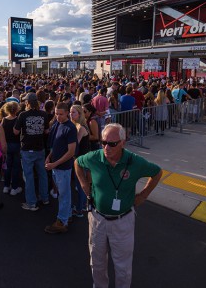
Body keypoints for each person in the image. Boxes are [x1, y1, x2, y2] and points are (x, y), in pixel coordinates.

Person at [75, 123, 162, 288]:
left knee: (123, 267)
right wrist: (84, 185)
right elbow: (77, 163)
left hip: (123, 221)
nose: (106, 147)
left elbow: (157, 172)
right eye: (103, 142)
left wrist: (144, 195)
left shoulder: (134, 162)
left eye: (112, 143)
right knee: (97, 262)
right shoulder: (94, 157)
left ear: (123, 142)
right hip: (97, 219)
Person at [13, 92, 50, 211]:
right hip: (40, 148)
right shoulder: (44, 114)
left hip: (27, 149)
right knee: (42, 175)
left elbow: (16, 132)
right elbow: (47, 131)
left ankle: (31, 203)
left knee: (28, 177)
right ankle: (45, 198)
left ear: (27, 103)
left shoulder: (23, 115)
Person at [44, 102, 77, 233]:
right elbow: (56, 144)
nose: (58, 116)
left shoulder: (70, 128)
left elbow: (71, 152)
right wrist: (50, 156)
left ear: (67, 113)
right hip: (55, 165)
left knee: (63, 194)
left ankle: (62, 221)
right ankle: (67, 215)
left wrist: (55, 163)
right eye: (56, 114)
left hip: (63, 167)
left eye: (61, 114)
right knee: (63, 193)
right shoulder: (58, 124)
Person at [70, 104, 90, 218]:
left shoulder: (81, 127)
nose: (71, 114)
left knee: (81, 184)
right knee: (81, 184)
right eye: (70, 112)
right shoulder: (78, 125)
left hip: (82, 159)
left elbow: (75, 143)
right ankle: (81, 205)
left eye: (73, 112)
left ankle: (79, 209)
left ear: (79, 114)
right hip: (80, 157)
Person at [0, 101, 23, 196]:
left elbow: (1, 132)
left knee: (7, 166)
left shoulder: (4, 120)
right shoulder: (18, 119)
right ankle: (14, 187)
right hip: (17, 145)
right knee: (16, 167)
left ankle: (6, 186)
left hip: (7, 145)